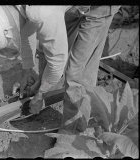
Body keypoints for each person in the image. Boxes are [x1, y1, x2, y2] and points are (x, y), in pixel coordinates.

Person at [15, 5, 121, 134]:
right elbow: (28, 30)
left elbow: (57, 60)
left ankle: (72, 132)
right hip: (70, 7)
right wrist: (26, 70)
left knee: (77, 73)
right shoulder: (22, 7)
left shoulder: (46, 12)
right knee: (47, 47)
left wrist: (40, 96)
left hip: (100, 8)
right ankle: (48, 87)